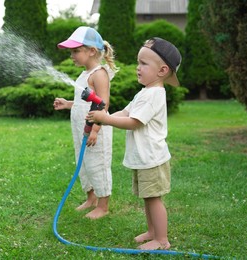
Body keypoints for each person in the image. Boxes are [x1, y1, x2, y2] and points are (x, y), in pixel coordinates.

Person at [87, 37, 182, 249]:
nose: (138, 68)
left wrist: (105, 119)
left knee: (154, 199)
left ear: (162, 70)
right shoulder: (144, 92)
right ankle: (152, 231)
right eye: (138, 62)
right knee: (148, 198)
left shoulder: (154, 95)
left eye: (144, 64)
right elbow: (126, 112)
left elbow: (133, 122)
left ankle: (162, 239)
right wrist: (104, 116)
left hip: (152, 158)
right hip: (144, 157)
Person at [53, 26, 118, 219]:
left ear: (91, 51)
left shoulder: (99, 74)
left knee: (97, 165)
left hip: (95, 131)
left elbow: (103, 104)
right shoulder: (83, 74)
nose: (71, 55)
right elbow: (85, 103)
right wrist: (68, 104)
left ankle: (103, 205)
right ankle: (91, 199)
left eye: (75, 51)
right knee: (84, 165)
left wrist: (96, 130)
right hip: (82, 130)